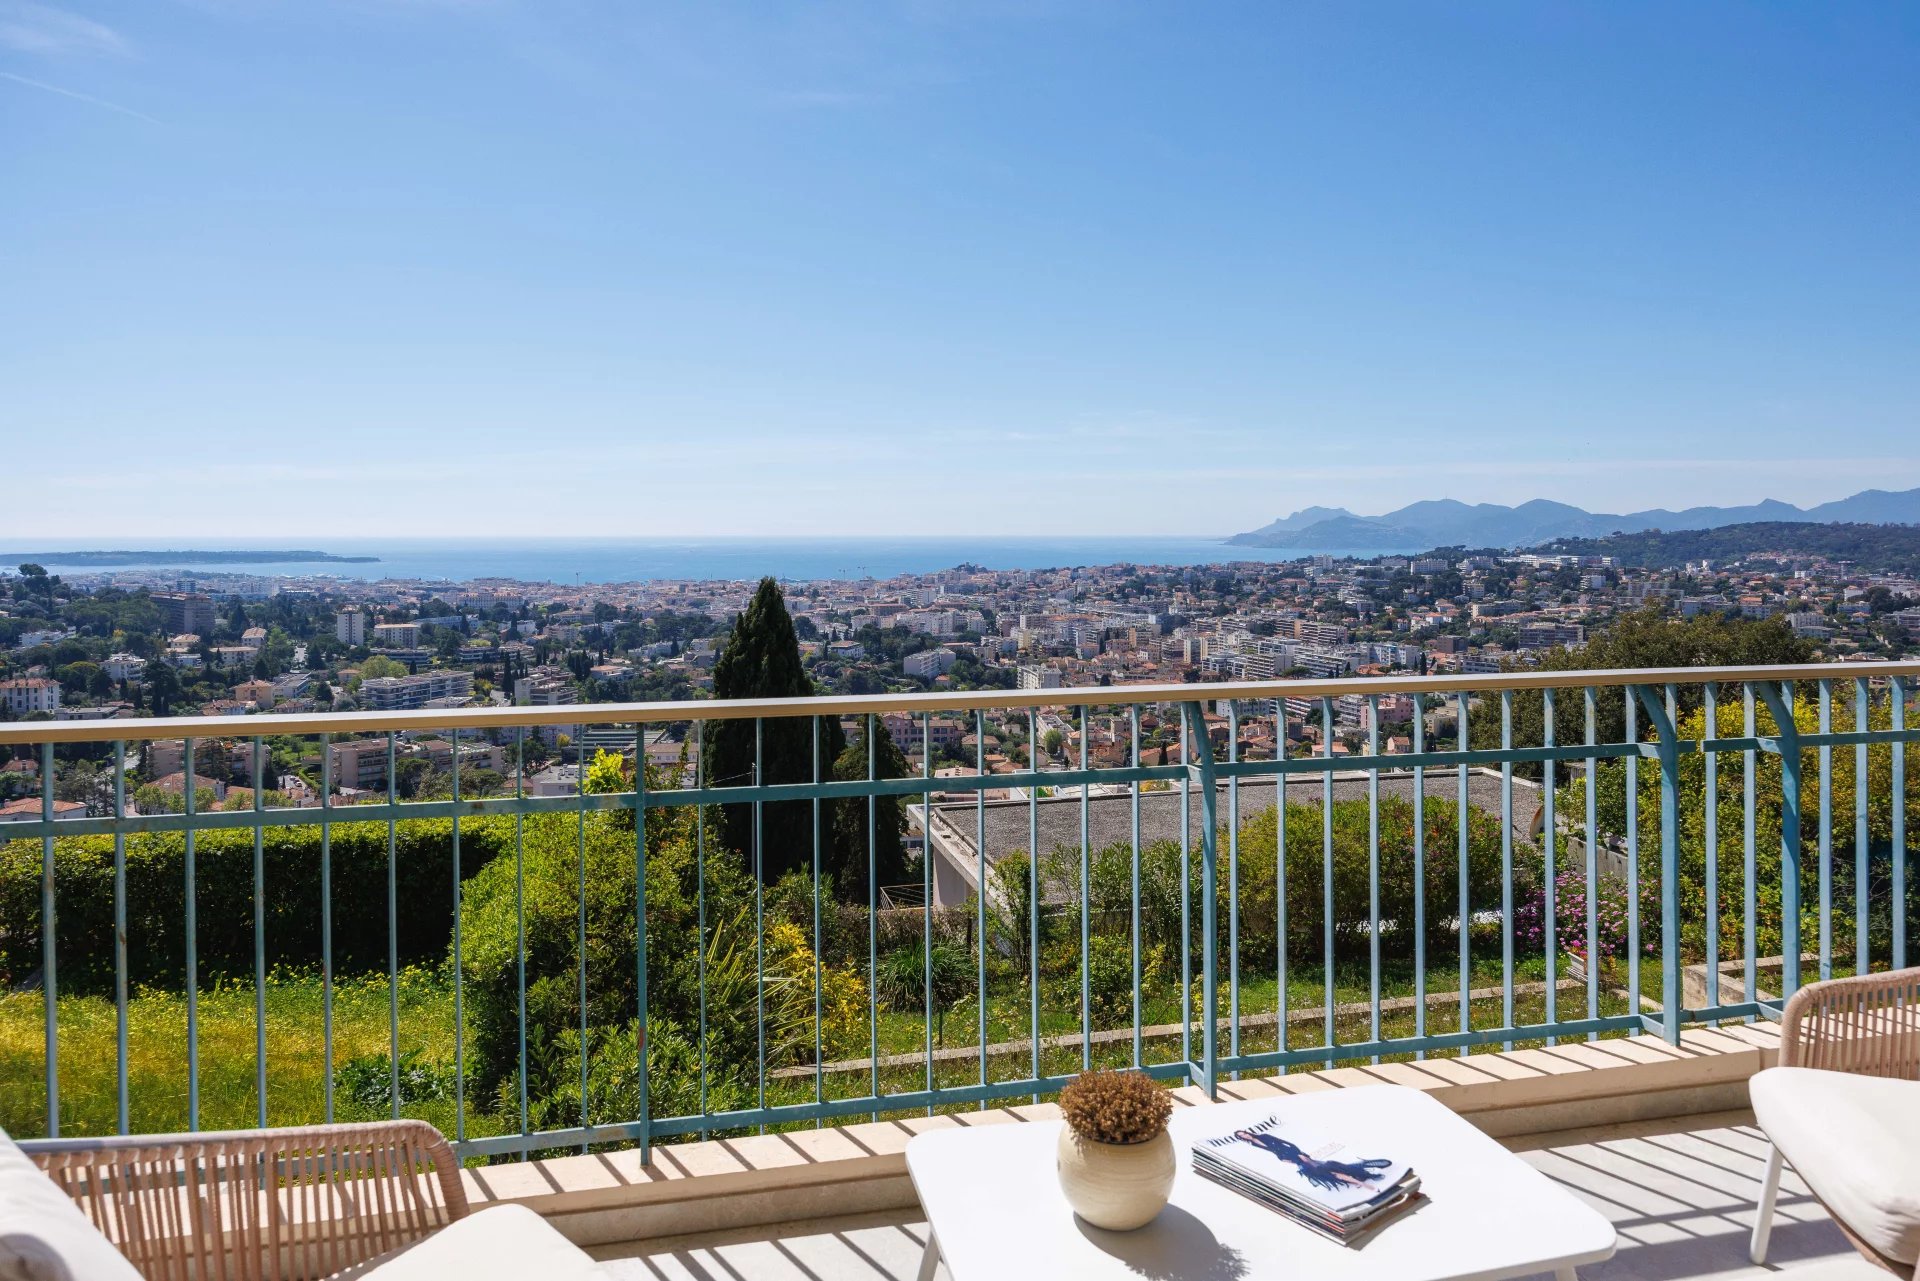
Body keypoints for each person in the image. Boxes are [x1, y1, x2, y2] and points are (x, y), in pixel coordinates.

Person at [1231, 1127, 1393, 1193]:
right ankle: (1360, 1180)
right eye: (1241, 1136)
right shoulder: (1254, 1145)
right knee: (1323, 1173)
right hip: (1288, 1159)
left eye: (1244, 1133)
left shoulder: (1264, 1136)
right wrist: (1282, 1159)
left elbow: (1285, 1143)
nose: (1245, 1135)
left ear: (1247, 1132)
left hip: (1295, 1154)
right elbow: (1274, 1152)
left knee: (1326, 1167)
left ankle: (1361, 1174)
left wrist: (1300, 1153)